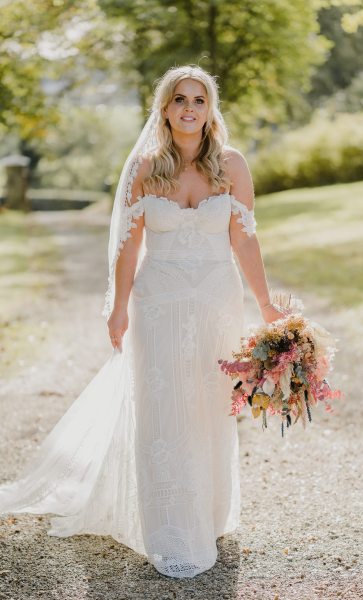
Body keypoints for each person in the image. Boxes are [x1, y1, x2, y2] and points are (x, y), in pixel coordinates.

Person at [0, 65, 286, 579]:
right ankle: (171, 526)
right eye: (180, 99)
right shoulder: (146, 167)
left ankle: (210, 512)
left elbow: (245, 240)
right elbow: (128, 248)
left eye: (200, 99)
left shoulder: (233, 165)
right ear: (165, 108)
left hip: (218, 301)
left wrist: (266, 306)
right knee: (163, 407)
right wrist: (118, 307)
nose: (190, 108)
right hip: (159, 304)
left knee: (209, 406)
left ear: (211, 109)